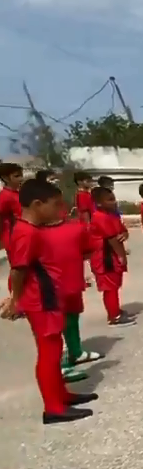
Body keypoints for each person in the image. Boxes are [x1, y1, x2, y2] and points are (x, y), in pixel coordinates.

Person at [0, 178, 97, 424]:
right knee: (49, 353)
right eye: (54, 205)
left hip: (49, 298)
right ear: (37, 204)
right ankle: (53, 408)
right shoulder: (27, 232)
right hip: (41, 301)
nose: (58, 211)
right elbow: (18, 269)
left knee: (53, 350)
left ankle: (61, 396)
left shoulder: (30, 230)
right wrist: (15, 301)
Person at [41, 207, 104, 373]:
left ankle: (76, 352)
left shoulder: (76, 228)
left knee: (72, 316)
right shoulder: (34, 231)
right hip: (48, 287)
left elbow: (88, 250)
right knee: (54, 324)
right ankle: (60, 365)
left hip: (72, 282)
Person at [89, 187, 136, 327]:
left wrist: (125, 234)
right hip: (105, 258)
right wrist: (121, 256)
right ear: (98, 203)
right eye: (110, 200)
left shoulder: (112, 215)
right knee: (110, 287)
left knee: (114, 284)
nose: (114, 202)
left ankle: (115, 309)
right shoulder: (100, 217)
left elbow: (122, 231)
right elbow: (111, 239)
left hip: (112, 257)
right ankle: (113, 316)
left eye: (114, 198)